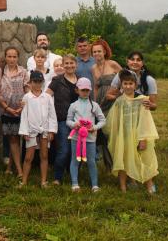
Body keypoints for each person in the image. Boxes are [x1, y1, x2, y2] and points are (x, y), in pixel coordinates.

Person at [104, 69, 159, 193]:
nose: (128, 86)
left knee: (145, 158)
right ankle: (123, 187)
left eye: (130, 84)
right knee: (123, 159)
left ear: (135, 85)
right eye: (125, 84)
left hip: (140, 135)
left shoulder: (142, 100)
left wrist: (143, 139)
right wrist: (118, 137)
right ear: (121, 85)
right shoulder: (119, 101)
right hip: (124, 136)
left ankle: (149, 184)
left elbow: (145, 121)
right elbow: (114, 120)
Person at [66, 78, 106, 193]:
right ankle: (75, 184)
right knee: (75, 160)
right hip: (76, 138)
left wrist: (94, 127)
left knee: (91, 161)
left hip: (90, 139)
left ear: (90, 91)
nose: (85, 92)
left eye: (87, 90)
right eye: (82, 90)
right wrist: (74, 124)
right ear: (77, 90)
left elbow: (103, 120)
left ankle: (95, 185)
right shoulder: (73, 105)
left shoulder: (94, 105)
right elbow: (68, 121)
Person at [18, 71, 57, 187]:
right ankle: (24, 181)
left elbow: (52, 114)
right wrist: (24, 131)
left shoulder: (48, 97)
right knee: (28, 157)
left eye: (40, 81)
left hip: (44, 130)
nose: (37, 84)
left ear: (43, 82)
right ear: (30, 82)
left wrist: (51, 130)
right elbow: (24, 115)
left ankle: (43, 181)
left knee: (44, 156)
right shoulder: (27, 97)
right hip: (31, 130)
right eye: (35, 81)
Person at [46, 54, 79, 186]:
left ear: (76, 65)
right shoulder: (57, 80)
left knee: (76, 151)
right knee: (64, 150)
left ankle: (73, 175)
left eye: (72, 63)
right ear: (63, 65)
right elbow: (46, 97)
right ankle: (57, 177)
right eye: (67, 63)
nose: (69, 66)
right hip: (62, 120)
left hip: (78, 122)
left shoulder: (81, 80)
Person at [0, 46, 29, 178]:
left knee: (15, 139)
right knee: (13, 139)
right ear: (5, 57)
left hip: (21, 110)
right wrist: (7, 108)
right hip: (6, 111)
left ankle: (10, 168)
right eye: (9, 56)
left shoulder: (23, 72)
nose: (12, 59)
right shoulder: (0, 72)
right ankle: (20, 171)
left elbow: (27, 90)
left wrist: (21, 107)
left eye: (14, 56)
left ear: (18, 58)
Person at [91, 39, 123, 169]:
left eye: (99, 51)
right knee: (103, 132)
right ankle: (109, 164)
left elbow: (126, 79)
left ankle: (119, 161)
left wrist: (118, 95)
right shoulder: (93, 68)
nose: (97, 54)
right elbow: (96, 87)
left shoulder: (113, 64)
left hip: (114, 101)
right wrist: (95, 104)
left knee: (113, 131)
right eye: (94, 52)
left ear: (104, 51)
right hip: (101, 102)